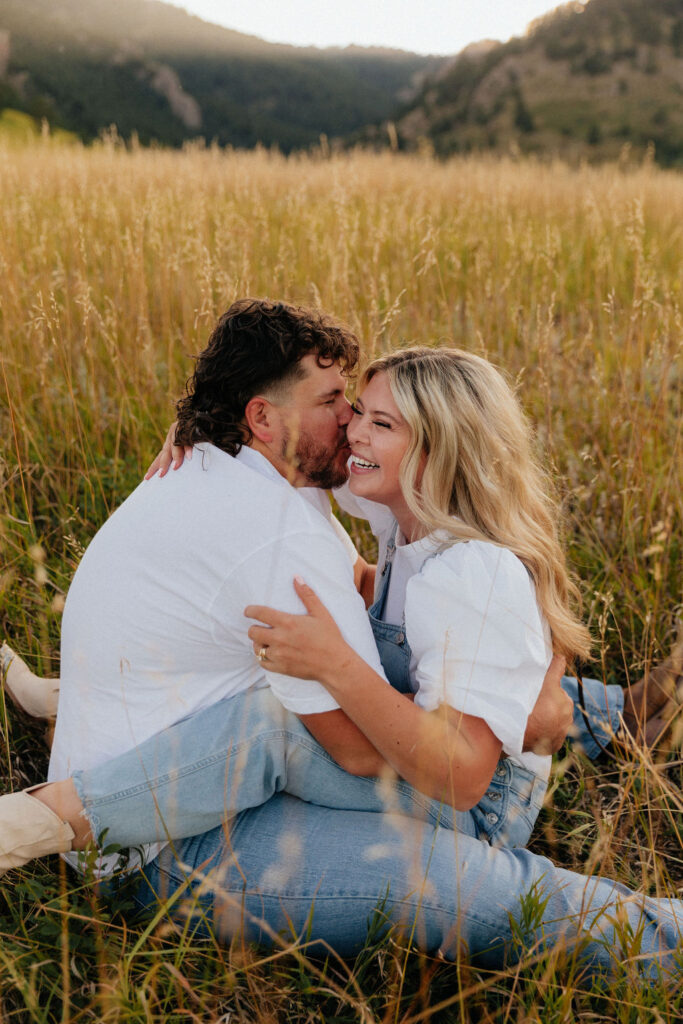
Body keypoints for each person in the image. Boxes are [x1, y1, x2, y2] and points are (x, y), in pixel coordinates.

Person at [0, 300, 681, 978]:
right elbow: (368, 590)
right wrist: (198, 418)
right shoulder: (381, 505)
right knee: (388, 664)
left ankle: (664, 932)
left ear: (435, 448)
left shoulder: (458, 564)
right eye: (343, 404)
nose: (350, 426)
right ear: (259, 418)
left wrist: (333, 663)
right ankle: (615, 712)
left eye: (372, 418)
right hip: (253, 812)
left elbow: (462, 773)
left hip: (469, 798)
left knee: (285, 729)